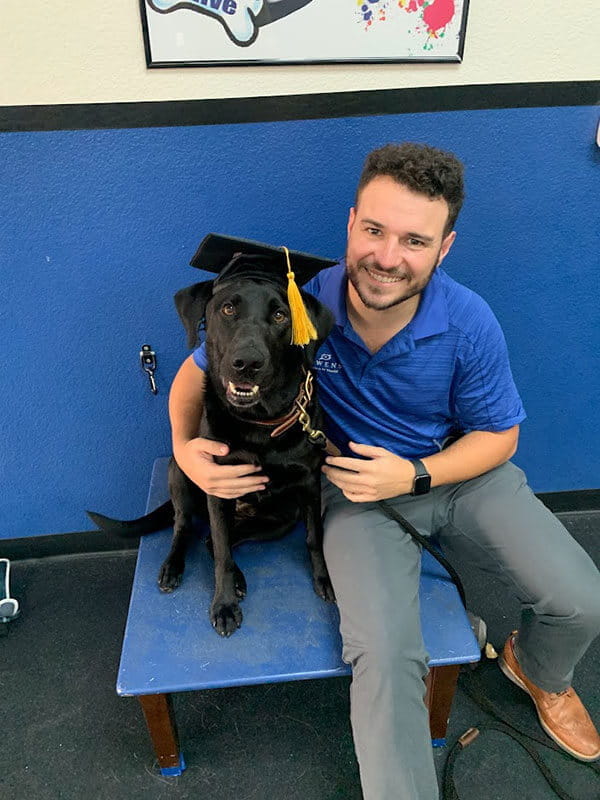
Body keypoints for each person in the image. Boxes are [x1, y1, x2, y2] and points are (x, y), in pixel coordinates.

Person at [169, 143, 600, 799]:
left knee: (581, 598)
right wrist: (182, 447)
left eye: (414, 240)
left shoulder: (469, 321)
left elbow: (501, 436)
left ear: (444, 247)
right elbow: (195, 370)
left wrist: (418, 475)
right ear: (350, 224)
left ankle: (536, 669)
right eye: (373, 230)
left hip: (456, 474)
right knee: (387, 658)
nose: (387, 256)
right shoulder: (298, 303)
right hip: (353, 496)